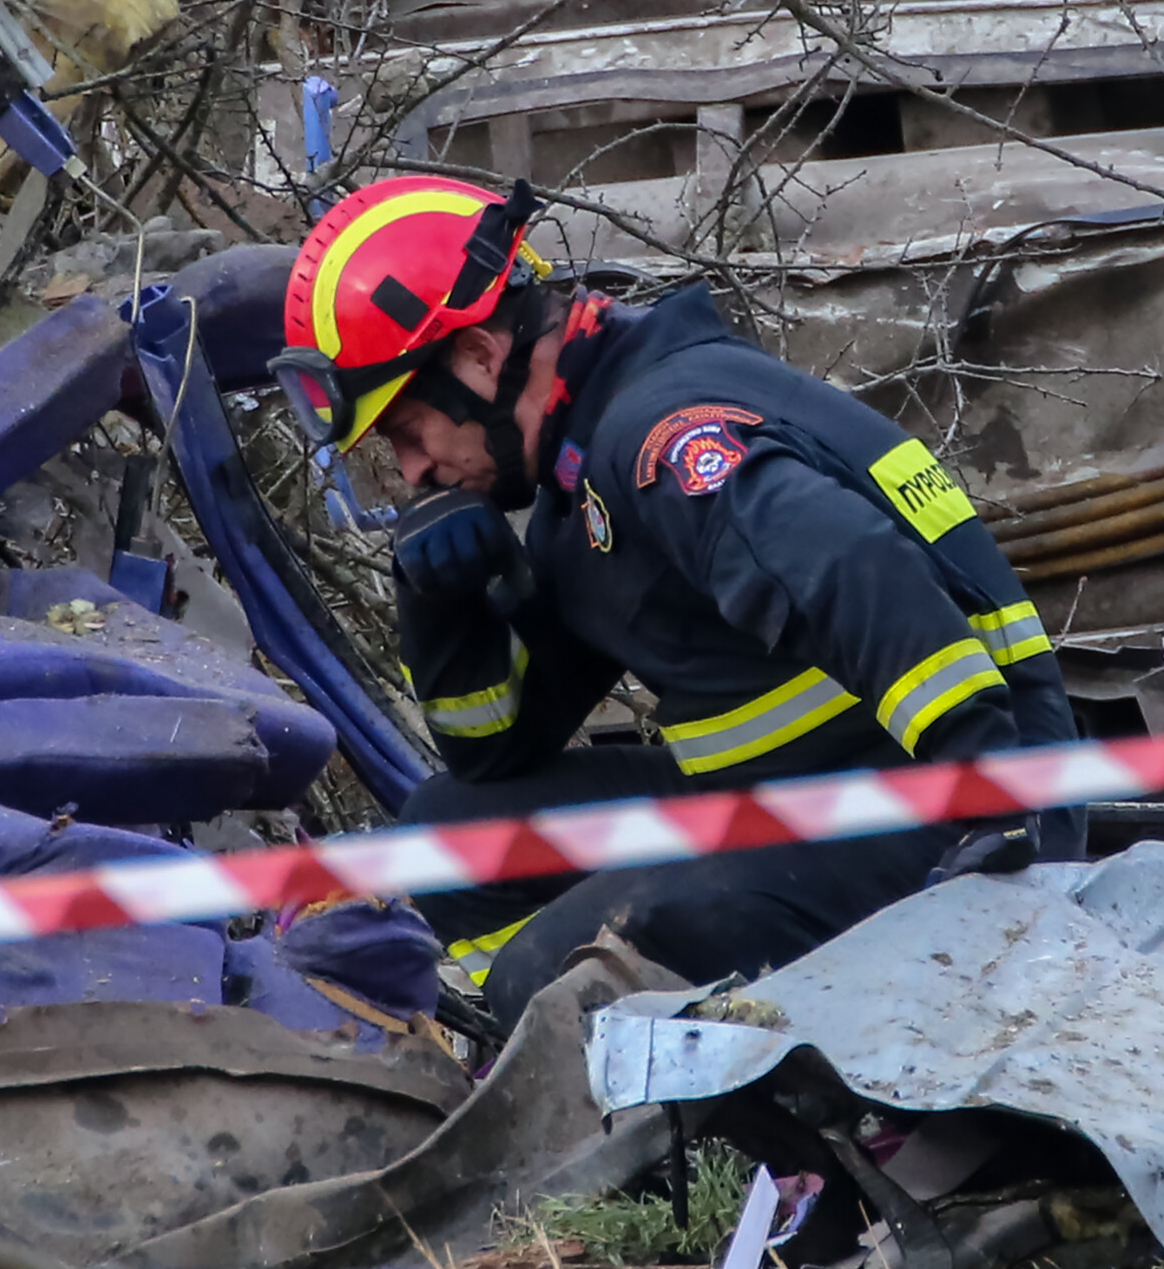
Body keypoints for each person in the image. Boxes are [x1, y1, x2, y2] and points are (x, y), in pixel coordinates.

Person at [271, 175, 1085, 1027]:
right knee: (448, 839)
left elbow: (851, 565)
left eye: (406, 433)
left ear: (477, 358)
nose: (411, 472)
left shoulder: (660, 435)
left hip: (959, 810)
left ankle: (728, 1111)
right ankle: (548, 1048)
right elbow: (495, 748)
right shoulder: (583, 477)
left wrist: (991, 804)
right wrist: (441, 599)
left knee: (557, 979)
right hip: (801, 793)